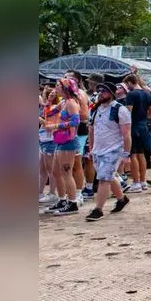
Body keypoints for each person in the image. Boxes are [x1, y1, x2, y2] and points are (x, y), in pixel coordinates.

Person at [85, 82, 132, 221]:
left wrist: (126, 154)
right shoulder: (96, 109)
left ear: (111, 93)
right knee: (109, 177)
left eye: (104, 91)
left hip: (113, 150)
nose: (100, 93)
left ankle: (98, 209)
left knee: (103, 178)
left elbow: (126, 134)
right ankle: (122, 199)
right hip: (98, 150)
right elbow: (92, 129)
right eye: (99, 91)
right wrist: (91, 148)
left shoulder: (120, 110)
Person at [43, 77, 83, 216]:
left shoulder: (71, 103)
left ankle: (72, 203)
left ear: (65, 88)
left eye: (58, 85)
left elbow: (75, 122)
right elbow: (48, 114)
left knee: (66, 173)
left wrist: (55, 126)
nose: (56, 87)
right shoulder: (63, 102)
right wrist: (49, 101)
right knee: (56, 172)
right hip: (60, 141)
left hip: (68, 141)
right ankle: (62, 200)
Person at [121, 73, 151, 194]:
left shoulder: (131, 94)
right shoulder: (148, 94)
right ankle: (143, 181)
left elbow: (128, 112)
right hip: (144, 126)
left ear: (130, 82)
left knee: (133, 155)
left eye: (127, 85)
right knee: (141, 154)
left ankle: (136, 182)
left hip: (133, 126)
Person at [64, 70, 92, 202]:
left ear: (77, 80)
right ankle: (71, 192)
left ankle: (79, 192)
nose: (65, 79)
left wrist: (70, 118)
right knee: (68, 163)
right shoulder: (67, 96)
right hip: (69, 131)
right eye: (65, 77)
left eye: (69, 77)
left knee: (76, 163)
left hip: (79, 130)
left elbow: (85, 116)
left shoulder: (79, 94)